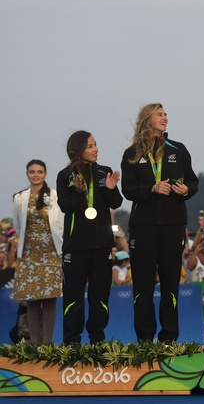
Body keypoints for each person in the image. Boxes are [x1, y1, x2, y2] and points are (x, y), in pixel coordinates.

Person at [121, 103, 199, 343]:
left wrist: (186, 190)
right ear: (147, 119)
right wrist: (152, 188)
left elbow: (193, 182)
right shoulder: (132, 153)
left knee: (170, 286)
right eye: (159, 114)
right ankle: (144, 339)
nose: (165, 117)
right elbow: (128, 190)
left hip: (173, 226)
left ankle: (169, 339)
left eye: (165, 114)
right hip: (143, 228)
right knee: (143, 287)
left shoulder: (178, 149)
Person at [57, 132, 123, 344]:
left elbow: (116, 202)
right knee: (73, 296)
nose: (96, 149)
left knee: (100, 295)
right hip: (75, 246)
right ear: (78, 149)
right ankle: (72, 341)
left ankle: (97, 339)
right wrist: (77, 193)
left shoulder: (104, 172)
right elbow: (65, 206)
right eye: (90, 146)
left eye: (95, 145)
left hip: (102, 244)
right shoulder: (65, 175)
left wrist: (111, 189)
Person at [11, 160, 64, 343]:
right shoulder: (20, 198)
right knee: (31, 300)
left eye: (39, 171)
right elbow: (18, 227)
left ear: (45, 174)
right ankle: (34, 343)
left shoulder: (55, 196)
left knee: (50, 299)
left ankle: (47, 343)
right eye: (32, 172)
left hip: (51, 252)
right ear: (27, 174)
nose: (36, 175)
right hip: (29, 254)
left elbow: (61, 223)